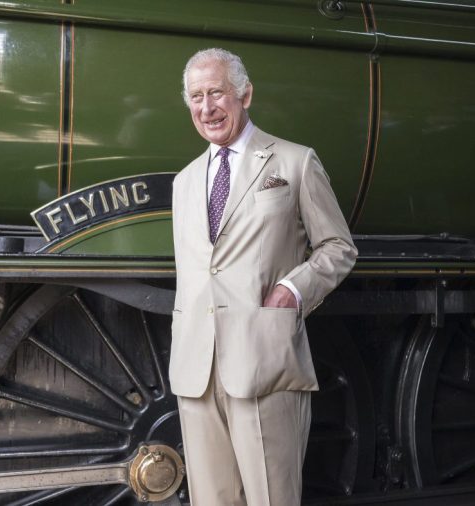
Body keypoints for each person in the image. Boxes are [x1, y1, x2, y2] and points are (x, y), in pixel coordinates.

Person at [170, 48, 357, 505]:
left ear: (245, 94)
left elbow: (339, 248)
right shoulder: (185, 181)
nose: (207, 107)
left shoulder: (295, 162)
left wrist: (292, 291)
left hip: (264, 360)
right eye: (196, 96)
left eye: (217, 92)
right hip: (196, 367)